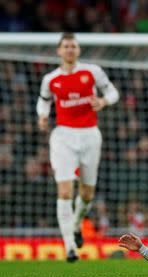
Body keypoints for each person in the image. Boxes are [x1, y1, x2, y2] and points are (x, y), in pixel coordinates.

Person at [36, 33, 119, 262]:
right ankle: (70, 246)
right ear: (59, 51)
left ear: (78, 50)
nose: (70, 49)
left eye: (73, 46)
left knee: (87, 193)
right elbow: (43, 100)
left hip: (90, 136)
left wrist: (103, 101)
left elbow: (113, 92)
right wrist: (42, 116)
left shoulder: (92, 72)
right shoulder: (51, 79)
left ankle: (75, 224)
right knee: (64, 191)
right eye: (66, 46)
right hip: (63, 136)